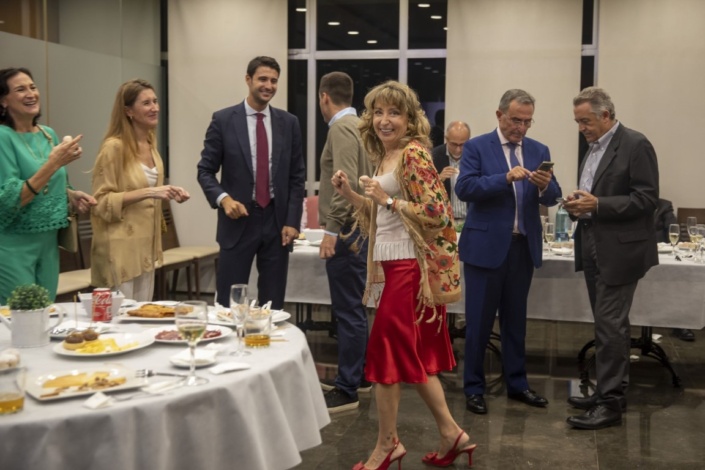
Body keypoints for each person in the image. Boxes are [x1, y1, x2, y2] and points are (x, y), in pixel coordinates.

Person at [332, 80, 474, 470]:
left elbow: (437, 213)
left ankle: (387, 445)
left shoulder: (413, 154)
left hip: (410, 270)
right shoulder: (386, 155)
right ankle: (452, 433)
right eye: (378, 112)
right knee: (413, 358)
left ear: (410, 119)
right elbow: (382, 215)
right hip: (395, 265)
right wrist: (352, 195)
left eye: (394, 112)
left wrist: (388, 199)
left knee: (384, 356)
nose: (384, 120)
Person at [455, 89, 562, 415]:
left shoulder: (538, 149)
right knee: (479, 323)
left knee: (516, 321)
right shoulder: (476, 147)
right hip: (485, 248)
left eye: (527, 122)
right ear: (499, 115)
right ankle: (474, 387)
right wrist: (503, 178)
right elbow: (464, 188)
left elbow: (553, 195)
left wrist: (544, 184)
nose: (521, 128)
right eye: (516, 120)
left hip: (522, 248)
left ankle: (518, 384)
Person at [564, 86, 659, 430]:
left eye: (585, 121)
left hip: (621, 250)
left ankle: (610, 405)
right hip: (592, 243)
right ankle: (608, 392)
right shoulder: (593, 148)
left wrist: (598, 204)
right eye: (578, 122)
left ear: (605, 115)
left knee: (610, 327)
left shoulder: (635, 144)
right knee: (607, 325)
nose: (581, 128)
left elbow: (647, 199)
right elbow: (593, 196)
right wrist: (577, 205)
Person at [197, 56, 305, 309]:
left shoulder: (289, 123)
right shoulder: (223, 120)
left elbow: (297, 177)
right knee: (229, 302)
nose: (269, 86)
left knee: (273, 303)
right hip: (237, 221)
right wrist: (224, 200)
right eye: (262, 79)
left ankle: (268, 336)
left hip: (277, 223)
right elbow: (205, 171)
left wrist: (292, 221)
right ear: (248, 79)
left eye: (274, 81)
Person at [0, 67, 96, 303]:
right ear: (3, 101)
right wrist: (54, 163)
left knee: (46, 312)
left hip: (49, 244)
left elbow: (54, 184)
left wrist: (71, 196)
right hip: (14, 246)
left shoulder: (48, 134)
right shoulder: (3, 136)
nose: (30, 94)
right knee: (20, 315)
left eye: (32, 87)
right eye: (20, 89)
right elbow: (9, 200)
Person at [90, 79, 190, 301]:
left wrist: (170, 191)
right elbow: (101, 202)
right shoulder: (113, 148)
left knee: (142, 315)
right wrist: (150, 192)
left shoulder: (151, 145)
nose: (154, 108)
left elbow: (152, 190)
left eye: (155, 101)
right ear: (128, 111)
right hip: (119, 250)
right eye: (146, 103)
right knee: (118, 317)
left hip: (146, 248)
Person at [316, 71, 374, 412]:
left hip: (348, 231)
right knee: (355, 307)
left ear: (324, 97)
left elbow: (344, 180)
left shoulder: (340, 128)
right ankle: (360, 375)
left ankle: (347, 387)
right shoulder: (360, 126)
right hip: (360, 229)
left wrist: (331, 229)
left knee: (348, 310)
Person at [653, 198, 694, 341]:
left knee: (680, 278)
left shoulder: (663, 205)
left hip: (660, 254)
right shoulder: (627, 202)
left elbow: (673, 229)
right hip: (631, 253)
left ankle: (680, 323)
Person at [431, 121, 471, 222]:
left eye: (462, 145)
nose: (458, 150)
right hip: (443, 220)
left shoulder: (474, 156)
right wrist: (439, 180)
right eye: (454, 144)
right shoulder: (433, 157)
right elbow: (424, 192)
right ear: (446, 139)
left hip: (469, 219)